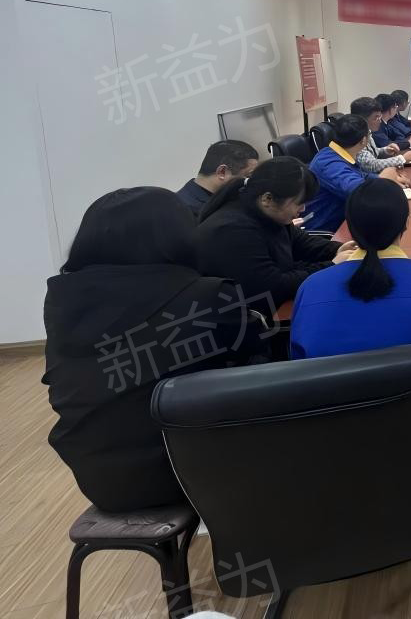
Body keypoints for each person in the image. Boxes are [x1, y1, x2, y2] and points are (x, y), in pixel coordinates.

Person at [43, 188, 267, 512]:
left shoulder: (61, 299)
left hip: (98, 476)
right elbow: (260, 363)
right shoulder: (208, 295)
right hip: (191, 470)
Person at [290, 179, 411, 399]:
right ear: (406, 223)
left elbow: (300, 366)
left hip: (331, 414)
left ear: (350, 227)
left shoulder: (311, 287)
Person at [196, 156, 344, 311]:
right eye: (298, 203)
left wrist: (338, 249)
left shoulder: (267, 212)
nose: (303, 209)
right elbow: (273, 287)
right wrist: (331, 266)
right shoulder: (233, 231)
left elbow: (300, 242)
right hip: (244, 316)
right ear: (267, 199)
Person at [307, 115, 405, 231]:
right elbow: (358, 193)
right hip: (328, 229)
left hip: (347, 218)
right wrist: (383, 180)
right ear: (363, 140)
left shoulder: (340, 153)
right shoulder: (327, 163)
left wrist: (386, 179)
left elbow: (361, 175)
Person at [174, 140, 259, 216]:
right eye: (248, 176)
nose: (251, 182)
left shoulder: (218, 200)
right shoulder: (185, 211)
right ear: (222, 172)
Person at [349, 96, 411, 174]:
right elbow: (372, 165)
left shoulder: (367, 132)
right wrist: (402, 159)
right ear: (361, 119)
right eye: (376, 117)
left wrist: (385, 150)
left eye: (379, 116)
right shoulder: (356, 137)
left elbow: (372, 152)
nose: (380, 121)